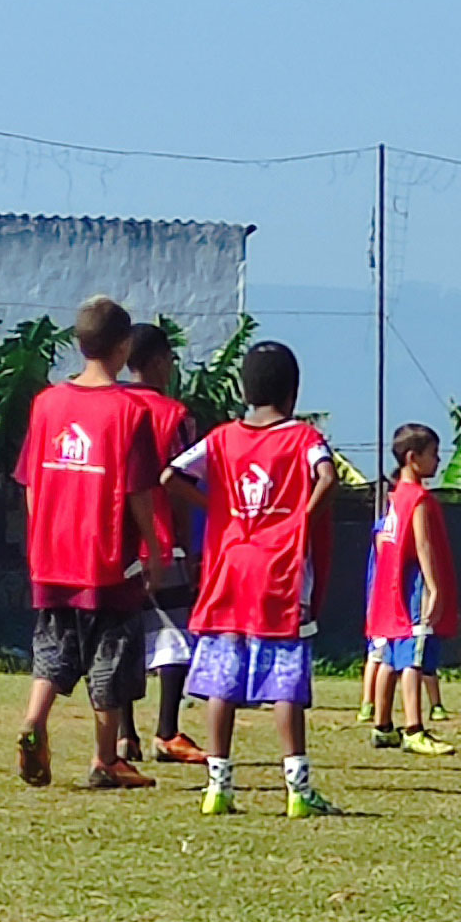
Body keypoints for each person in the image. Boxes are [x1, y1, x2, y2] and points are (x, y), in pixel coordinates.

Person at [167, 341, 340, 817]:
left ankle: (217, 785)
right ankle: (297, 789)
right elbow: (327, 477)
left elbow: (169, 477)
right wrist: (297, 519)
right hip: (279, 569)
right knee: (285, 677)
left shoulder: (222, 438)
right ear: (293, 391)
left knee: (222, 676)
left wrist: (218, 510)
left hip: (229, 566)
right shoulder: (302, 438)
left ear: (245, 389)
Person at [15, 296, 163, 791]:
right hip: (107, 555)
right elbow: (138, 490)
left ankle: (35, 720)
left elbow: (33, 485)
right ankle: (106, 760)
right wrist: (153, 550)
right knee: (112, 655)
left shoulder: (46, 404)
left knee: (54, 646)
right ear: (123, 348)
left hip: (53, 554)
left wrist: (44, 539)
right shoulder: (129, 411)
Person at [122, 321, 208, 766]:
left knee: (121, 635)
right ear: (157, 362)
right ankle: (167, 730)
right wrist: (186, 542)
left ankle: (124, 735)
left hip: (114, 541)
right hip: (159, 537)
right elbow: (178, 480)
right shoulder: (175, 416)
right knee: (175, 634)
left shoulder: (111, 407)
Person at [364, 422, 459, 757]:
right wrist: (435, 588)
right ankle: (414, 729)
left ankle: (382, 725)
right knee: (413, 660)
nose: (439, 460)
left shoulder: (395, 498)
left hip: (392, 589)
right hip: (414, 589)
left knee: (389, 657)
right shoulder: (417, 498)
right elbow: (423, 544)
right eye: (433, 454)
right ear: (412, 458)